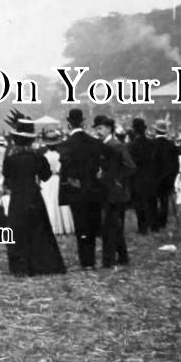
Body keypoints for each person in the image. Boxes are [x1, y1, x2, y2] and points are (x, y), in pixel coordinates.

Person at [2, 115, 66, 276]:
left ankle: (21, 267)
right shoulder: (38, 157)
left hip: (17, 197)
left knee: (18, 231)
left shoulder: (10, 159)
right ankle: (43, 264)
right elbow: (46, 176)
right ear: (31, 140)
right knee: (39, 230)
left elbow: (7, 179)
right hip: (34, 196)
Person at [58, 109, 109, 270]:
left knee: (80, 226)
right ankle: (92, 260)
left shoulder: (66, 145)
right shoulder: (95, 142)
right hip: (93, 189)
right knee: (92, 224)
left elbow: (66, 166)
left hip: (76, 190)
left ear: (68, 124)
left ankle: (85, 261)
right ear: (84, 123)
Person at [94, 115, 134, 268]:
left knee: (110, 226)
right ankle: (122, 257)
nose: (98, 132)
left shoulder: (116, 145)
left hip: (115, 192)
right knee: (114, 226)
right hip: (107, 190)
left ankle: (109, 259)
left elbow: (130, 166)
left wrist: (116, 179)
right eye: (97, 129)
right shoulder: (103, 144)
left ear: (109, 129)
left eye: (101, 128)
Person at [40, 131, 74, 235]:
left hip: (48, 180)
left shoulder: (44, 156)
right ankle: (65, 226)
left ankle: (52, 225)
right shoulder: (60, 155)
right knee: (60, 201)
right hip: (58, 179)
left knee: (49, 201)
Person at [127, 118, 157, 235]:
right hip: (150, 176)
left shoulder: (132, 145)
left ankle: (142, 227)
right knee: (151, 202)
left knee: (139, 204)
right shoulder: (151, 143)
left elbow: (131, 163)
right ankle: (154, 225)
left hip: (137, 177)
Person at [151, 120, 179, 232]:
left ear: (155, 130)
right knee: (164, 202)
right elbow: (176, 165)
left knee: (153, 202)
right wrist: (172, 178)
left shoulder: (152, 144)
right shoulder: (171, 145)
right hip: (167, 178)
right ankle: (162, 222)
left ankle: (154, 223)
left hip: (154, 178)